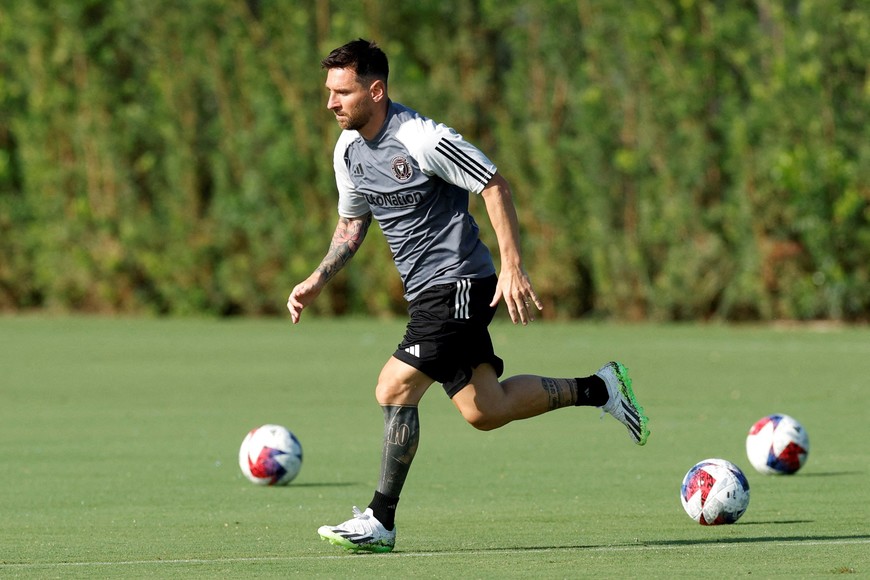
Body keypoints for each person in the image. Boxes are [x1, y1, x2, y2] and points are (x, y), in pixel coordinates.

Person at [287, 38, 650, 553]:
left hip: (458, 282)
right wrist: (318, 278)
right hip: (427, 293)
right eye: (328, 92)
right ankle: (601, 388)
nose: (330, 103)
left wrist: (512, 267)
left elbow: (493, 184)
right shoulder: (347, 151)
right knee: (485, 409)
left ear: (376, 89)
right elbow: (351, 224)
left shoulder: (422, 138)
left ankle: (380, 520)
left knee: (392, 387)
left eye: (341, 92)